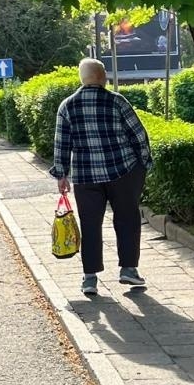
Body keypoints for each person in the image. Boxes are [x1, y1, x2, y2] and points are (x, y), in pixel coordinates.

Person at [50, 59, 154, 297]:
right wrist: (145, 163)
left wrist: (61, 174)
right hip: (124, 171)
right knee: (127, 218)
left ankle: (90, 278)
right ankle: (128, 268)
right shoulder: (117, 101)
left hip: (86, 176)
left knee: (90, 224)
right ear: (102, 77)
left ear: (82, 78)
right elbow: (138, 135)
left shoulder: (67, 106)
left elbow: (62, 144)